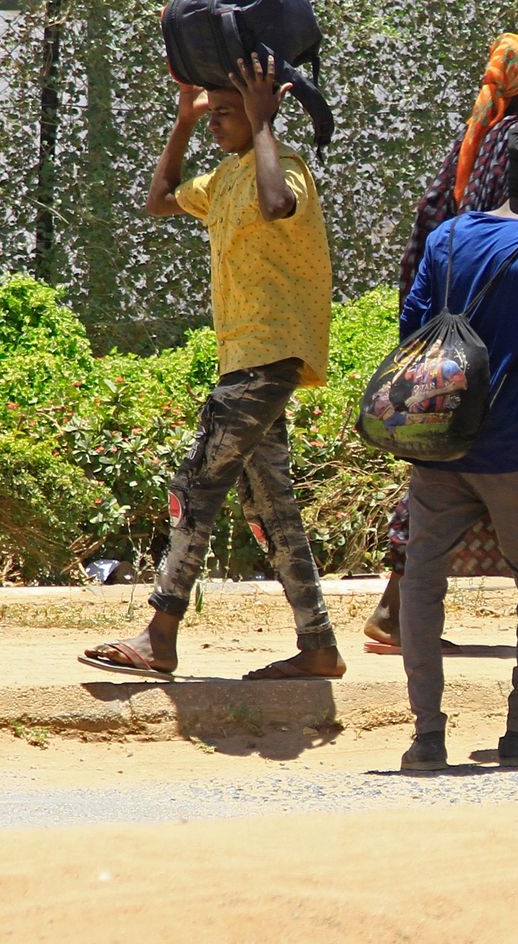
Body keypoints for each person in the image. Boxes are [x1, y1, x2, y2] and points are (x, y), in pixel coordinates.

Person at [80, 58, 342, 681]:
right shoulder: (224, 178)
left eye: (227, 112)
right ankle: (319, 645)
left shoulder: (283, 170)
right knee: (272, 505)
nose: (217, 122)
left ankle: (160, 634)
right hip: (243, 358)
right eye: (216, 113)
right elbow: (160, 199)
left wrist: (261, 125)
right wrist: (182, 121)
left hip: (269, 354)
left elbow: (277, 204)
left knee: (196, 485)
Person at [394, 122, 518, 772]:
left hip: (440, 445)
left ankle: (426, 738)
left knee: (422, 579)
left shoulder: (449, 235)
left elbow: (411, 326)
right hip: (511, 450)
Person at [365, 32, 518, 652]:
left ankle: (401, 611)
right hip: (497, 326)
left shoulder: (479, 135)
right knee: (502, 462)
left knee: (447, 465)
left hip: (451, 320)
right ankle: (402, 614)